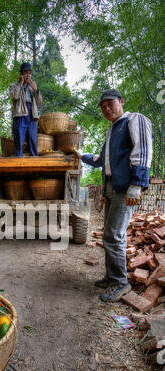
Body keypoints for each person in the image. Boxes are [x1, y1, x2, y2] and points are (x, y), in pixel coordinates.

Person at [74, 89, 153, 302]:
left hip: (126, 187)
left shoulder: (134, 120)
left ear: (121, 101)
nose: (106, 109)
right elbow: (102, 159)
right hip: (111, 186)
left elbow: (143, 152)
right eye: (103, 107)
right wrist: (82, 156)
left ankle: (120, 282)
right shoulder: (112, 130)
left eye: (110, 104)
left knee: (114, 234)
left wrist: (137, 184)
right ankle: (111, 277)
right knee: (110, 233)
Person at [9, 62, 42, 157]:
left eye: (29, 73)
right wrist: (21, 84)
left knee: (32, 139)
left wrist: (36, 90)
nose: (27, 75)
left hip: (32, 115)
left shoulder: (33, 86)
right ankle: (18, 160)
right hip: (20, 115)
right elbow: (15, 96)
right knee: (19, 139)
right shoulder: (14, 85)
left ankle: (34, 160)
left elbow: (39, 102)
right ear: (21, 74)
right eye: (25, 73)